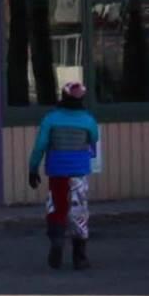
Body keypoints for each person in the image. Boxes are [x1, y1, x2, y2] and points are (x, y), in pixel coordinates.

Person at [28, 78, 101, 270]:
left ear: (63, 96)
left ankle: (57, 240)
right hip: (78, 172)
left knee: (57, 207)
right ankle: (80, 257)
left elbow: (40, 146)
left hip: (57, 171)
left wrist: (33, 168)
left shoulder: (51, 118)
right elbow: (94, 138)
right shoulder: (88, 119)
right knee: (79, 211)